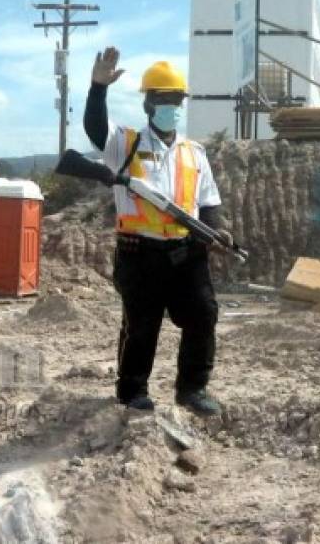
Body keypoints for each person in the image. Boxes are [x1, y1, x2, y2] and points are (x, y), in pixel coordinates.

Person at [84, 47, 232, 416]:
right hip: (139, 254)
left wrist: (218, 230)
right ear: (149, 104)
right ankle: (133, 391)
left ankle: (192, 389)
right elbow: (95, 129)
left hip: (186, 253)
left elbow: (208, 200)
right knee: (141, 325)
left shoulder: (193, 152)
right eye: (164, 100)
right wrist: (97, 89)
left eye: (177, 100)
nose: (172, 107)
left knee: (202, 315)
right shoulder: (126, 143)